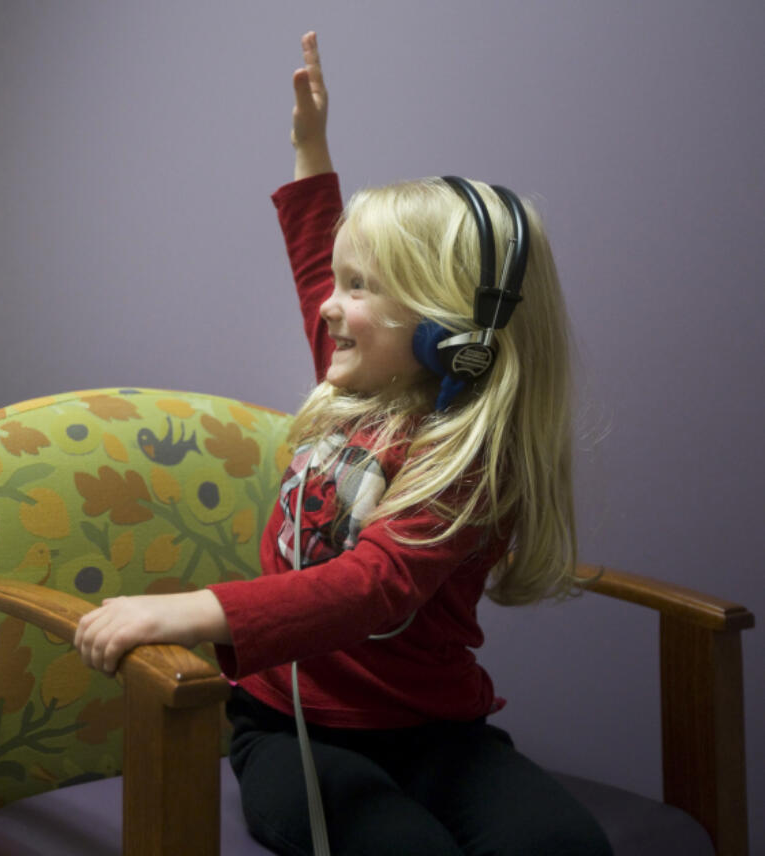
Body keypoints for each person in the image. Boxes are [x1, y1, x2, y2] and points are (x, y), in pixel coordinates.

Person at [74, 32, 612, 856]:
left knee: (563, 845)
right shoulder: (350, 383)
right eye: (340, 279)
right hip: (289, 728)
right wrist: (310, 144)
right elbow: (311, 257)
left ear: (442, 328)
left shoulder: (466, 455)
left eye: (359, 287)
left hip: (440, 730)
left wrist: (184, 610)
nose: (330, 304)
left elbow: (376, 585)